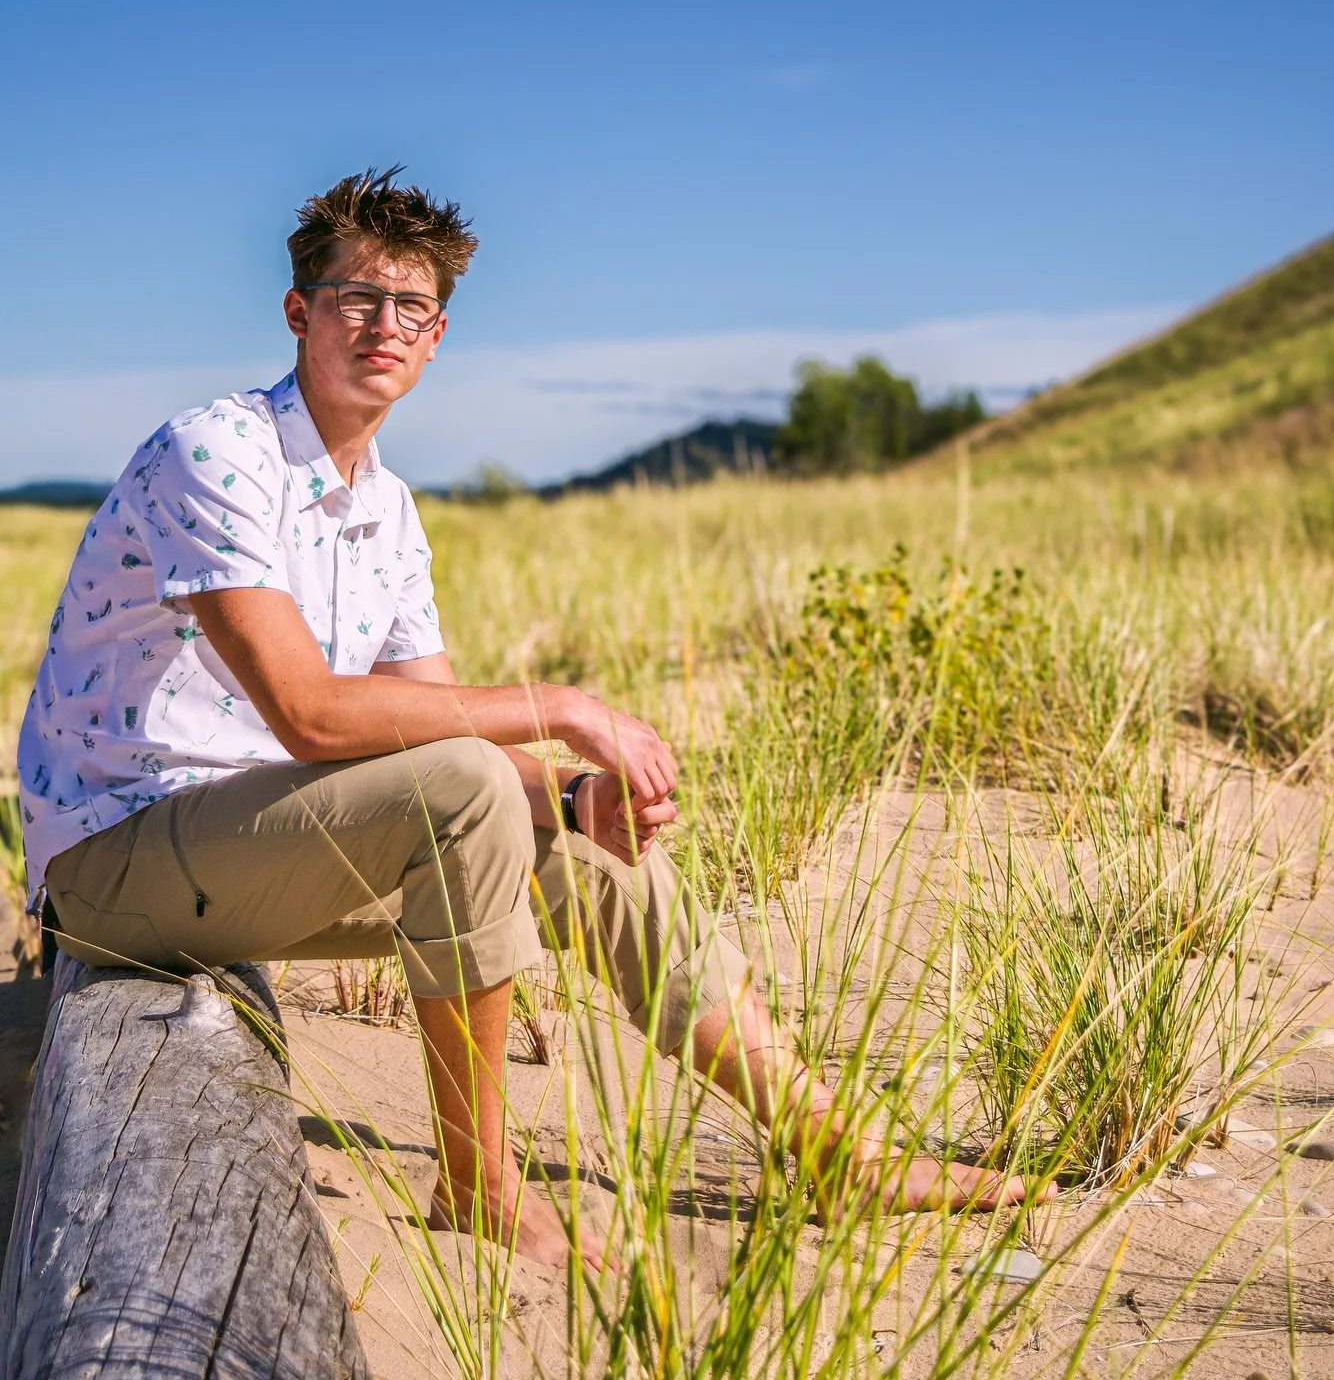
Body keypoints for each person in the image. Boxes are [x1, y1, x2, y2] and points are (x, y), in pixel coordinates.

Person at [19, 167, 1042, 1272]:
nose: (384, 325)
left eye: (412, 307)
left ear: (440, 334)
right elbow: (313, 717)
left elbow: (427, 718)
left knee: (583, 852)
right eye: (357, 297)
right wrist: (563, 710)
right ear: (298, 311)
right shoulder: (218, 451)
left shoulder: (389, 508)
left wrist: (568, 794)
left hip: (256, 854)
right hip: (117, 867)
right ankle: (479, 1183)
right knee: (460, 789)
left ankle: (839, 1154)